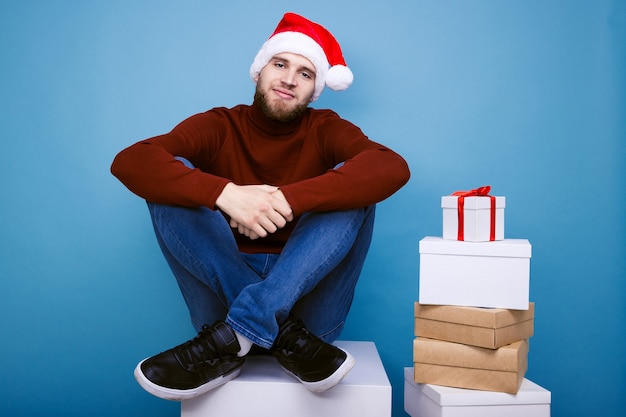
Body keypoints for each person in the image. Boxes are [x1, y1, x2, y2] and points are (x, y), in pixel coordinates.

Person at [111, 12, 410, 401]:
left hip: (310, 310)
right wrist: (227, 195)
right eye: (280, 64)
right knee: (170, 181)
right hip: (228, 304)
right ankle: (279, 336)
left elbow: (392, 167)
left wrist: (287, 198)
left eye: (305, 73)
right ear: (259, 71)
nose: (289, 79)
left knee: (356, 186)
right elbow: (131, 161)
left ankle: (236, 336)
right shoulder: (219, 125)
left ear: (315, 88)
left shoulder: (325, 129)